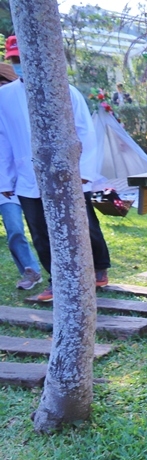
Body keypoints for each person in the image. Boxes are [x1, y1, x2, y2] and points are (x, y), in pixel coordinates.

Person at [0, 35, 111, 302]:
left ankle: (98, 269)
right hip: (27, 177)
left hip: (68, 174)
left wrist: (83, 172)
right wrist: (4, 181)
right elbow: (2, 138)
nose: (19, 65)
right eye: (15, 60)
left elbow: (85, 131)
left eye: (22, 59)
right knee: (40, 231)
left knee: (83, 223)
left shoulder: (64, 90)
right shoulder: (4, 97)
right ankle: (56, 281)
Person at [0, 60, 43, 290]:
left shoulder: (25, 108)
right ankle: (30, 271)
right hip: (5, 183)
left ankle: (39, 270)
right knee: (14, 230)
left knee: (31, 229)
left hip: (25, 181)